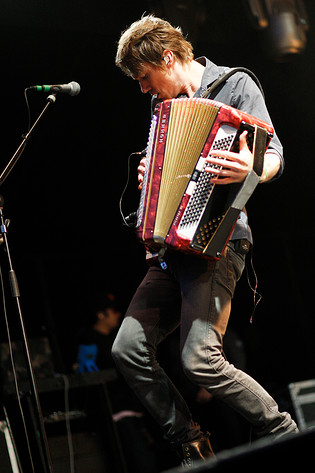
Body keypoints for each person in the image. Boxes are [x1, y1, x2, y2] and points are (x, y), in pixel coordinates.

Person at [112, 14, 298, 468]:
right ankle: (191, 440)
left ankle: (283, 431)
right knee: (128, 349)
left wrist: (252, 170)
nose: (142, 89)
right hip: (171, 251)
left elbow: (272, 153)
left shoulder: (235, 85)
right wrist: (147, 178)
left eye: (143, 77)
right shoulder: (166, 110)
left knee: (199, 361)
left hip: (220, 241)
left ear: (168, 57)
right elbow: (165, 180)